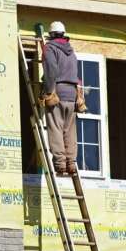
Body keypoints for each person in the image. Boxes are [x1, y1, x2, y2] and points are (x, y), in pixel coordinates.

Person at [41, 21, 83, 176]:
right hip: (71, 95)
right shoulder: (71, 52)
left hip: (57, 93)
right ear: (64, 34)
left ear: (51, 35)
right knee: (69, 130)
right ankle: (71, 163)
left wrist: (49, 91)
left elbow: (51, 70)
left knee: (55, 128)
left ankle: (60, 164)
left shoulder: (49, 48)